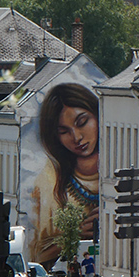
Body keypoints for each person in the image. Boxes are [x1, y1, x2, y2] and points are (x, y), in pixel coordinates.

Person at [29, 84, 101, 263]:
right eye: (64, 132)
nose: (77, 137)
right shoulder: (47, 183)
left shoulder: (121, 166)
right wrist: (76, 235)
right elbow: (35, 258)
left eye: (82, 122)